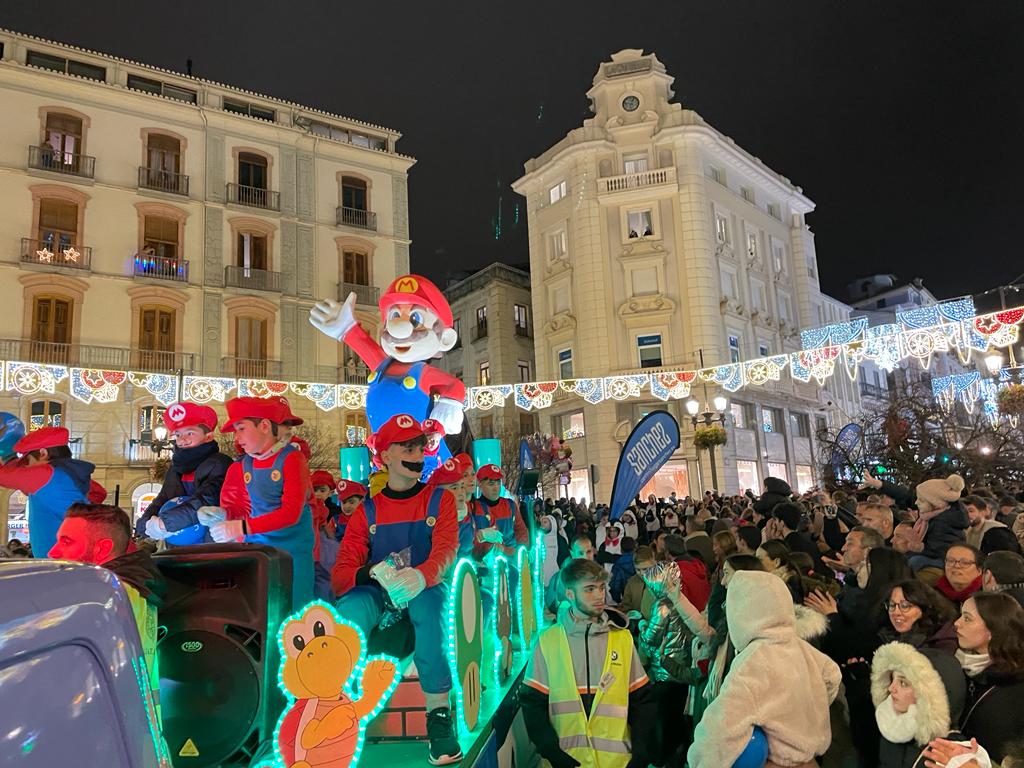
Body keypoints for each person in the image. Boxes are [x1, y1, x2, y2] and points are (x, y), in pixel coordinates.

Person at [331, 414, 461, 765]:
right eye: (406, 447)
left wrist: (422, 575)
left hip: (426, 589)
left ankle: (438, 713)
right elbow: (341, 573)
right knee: (351, 608)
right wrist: (371, 572)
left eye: (419, 446)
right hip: (381, 596)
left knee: (429, 608)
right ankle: (336, 703)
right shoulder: (367, 511)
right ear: (385, 455)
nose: (416, 453)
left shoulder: (440, 501)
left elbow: (447, 548)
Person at [687, 570, 841, 768]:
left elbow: (721, 727)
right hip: (811, 760)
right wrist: (807, 710)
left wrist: (699, 762)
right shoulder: (801, 647)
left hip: (776, 762)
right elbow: (832, 676)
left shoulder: (752, 662)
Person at [521, 558, 656, 768]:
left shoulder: (623, 638)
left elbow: (642, 701)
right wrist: (552, 752)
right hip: (566, 761)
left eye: (602, 588)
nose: (599, 595)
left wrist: (641, 753)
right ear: (569, 594)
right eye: (589, 589)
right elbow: (532, 705)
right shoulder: (548, 641)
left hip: (618, 762)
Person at [49, 502, 164, 729]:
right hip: (135, 735)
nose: (52, 552)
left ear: (102, 549)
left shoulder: (100, 599)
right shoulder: (132, 589)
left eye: (66, 542)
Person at [206, 396, 316, 609]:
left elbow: (290, 513)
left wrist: (242, 526)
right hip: (260, 551)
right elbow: (243, 508)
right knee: (263, 611)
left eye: (241, 429)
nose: (237, 438)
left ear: (264, 426)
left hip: (293, 555)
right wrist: (223, 515)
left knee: (295, 611)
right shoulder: (245, 464)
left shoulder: (293, 459)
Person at [136, 403, 232, 546]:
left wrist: (164, 524)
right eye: (178, 434)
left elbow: (207, 499)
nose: (182, 439)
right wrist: (145, 523)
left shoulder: (219, 464)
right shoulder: (176, 468)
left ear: (209, 436)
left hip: (210, 544)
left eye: (190, 433)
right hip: (177, 544)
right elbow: (163, 497)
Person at [870, 641, 969, 768]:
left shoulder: (952, 754)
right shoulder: (891, 727)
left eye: (903, 683)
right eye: (892, 679)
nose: (891, 688)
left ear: (930, 696)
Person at [0, 425, 94, 557]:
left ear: (43, 453)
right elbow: (100, 493)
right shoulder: (67, 475)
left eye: (27, 460)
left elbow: (4, 476)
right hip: (73, 559)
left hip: (61, 564)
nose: (26, 466)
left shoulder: (47, 475)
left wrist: (5, 447)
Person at [954, 593, 1024, 763]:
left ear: (993, 630)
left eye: (967, 619)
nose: (956, 623)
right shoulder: (957, 667)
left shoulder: (1016, 686)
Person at [906, 474, 968, 572]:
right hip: (935, 557)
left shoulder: (943, 521)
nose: (916, 503)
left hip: (945, 562)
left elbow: (943, 550)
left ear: (935, 504)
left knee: (915, 561)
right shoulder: (928, 518)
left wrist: (921, 547)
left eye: (921, 500)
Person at [879, 580, 958, 654]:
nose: (896, 612)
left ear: (925, 608)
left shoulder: (942, 643)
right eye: (892, 605)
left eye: (905, 606)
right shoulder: (887, 634)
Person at [470, 463, 528, 557]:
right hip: (484, 563)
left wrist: (522, 553)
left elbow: (521, 531)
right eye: (491, 484)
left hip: (511, 560)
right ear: (480, 485)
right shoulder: (473, 508)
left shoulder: (511, 505)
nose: (496, 488)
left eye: (498, 483)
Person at [619, 545, 657, 620]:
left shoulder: (663, 582)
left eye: (645, 569)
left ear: (654, 564)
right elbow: (626, 605)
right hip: (637, 626)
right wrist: (629, 614)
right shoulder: (632, 582)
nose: (642, 573)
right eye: (638, 570)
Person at [609, 536, 637, 603]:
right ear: (634, 548)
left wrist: (618, 600)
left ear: (621, 549)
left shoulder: (617, 566)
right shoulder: (640, 561)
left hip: (626, 600)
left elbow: (615, 586)